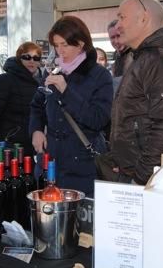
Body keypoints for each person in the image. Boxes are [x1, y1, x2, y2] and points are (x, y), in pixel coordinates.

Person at [104, 0, 163, 185]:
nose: (117, 25)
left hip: (146, 180)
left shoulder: (161, 60)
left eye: (122, 17)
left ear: (144, 18)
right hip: (134, 173)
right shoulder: (143, 57)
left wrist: (141, 178)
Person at [29, 16, 113, 197]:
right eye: (56, 45)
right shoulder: (54, 70)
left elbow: (98, 119)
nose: (60, 51)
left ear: (81, 43)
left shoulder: (100, 76)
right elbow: (37, 105)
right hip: (51, 165)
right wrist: (36, 129)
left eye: (65, 45)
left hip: (82, 167)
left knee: (80, 224)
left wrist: (66, 91)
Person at [0, 42, 43, 154]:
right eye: (27, 57)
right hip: (9, 147)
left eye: (36, 58)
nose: (31, 61)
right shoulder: (5, 80)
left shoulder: (42, 83)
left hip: (34, 147)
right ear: (19, 58)